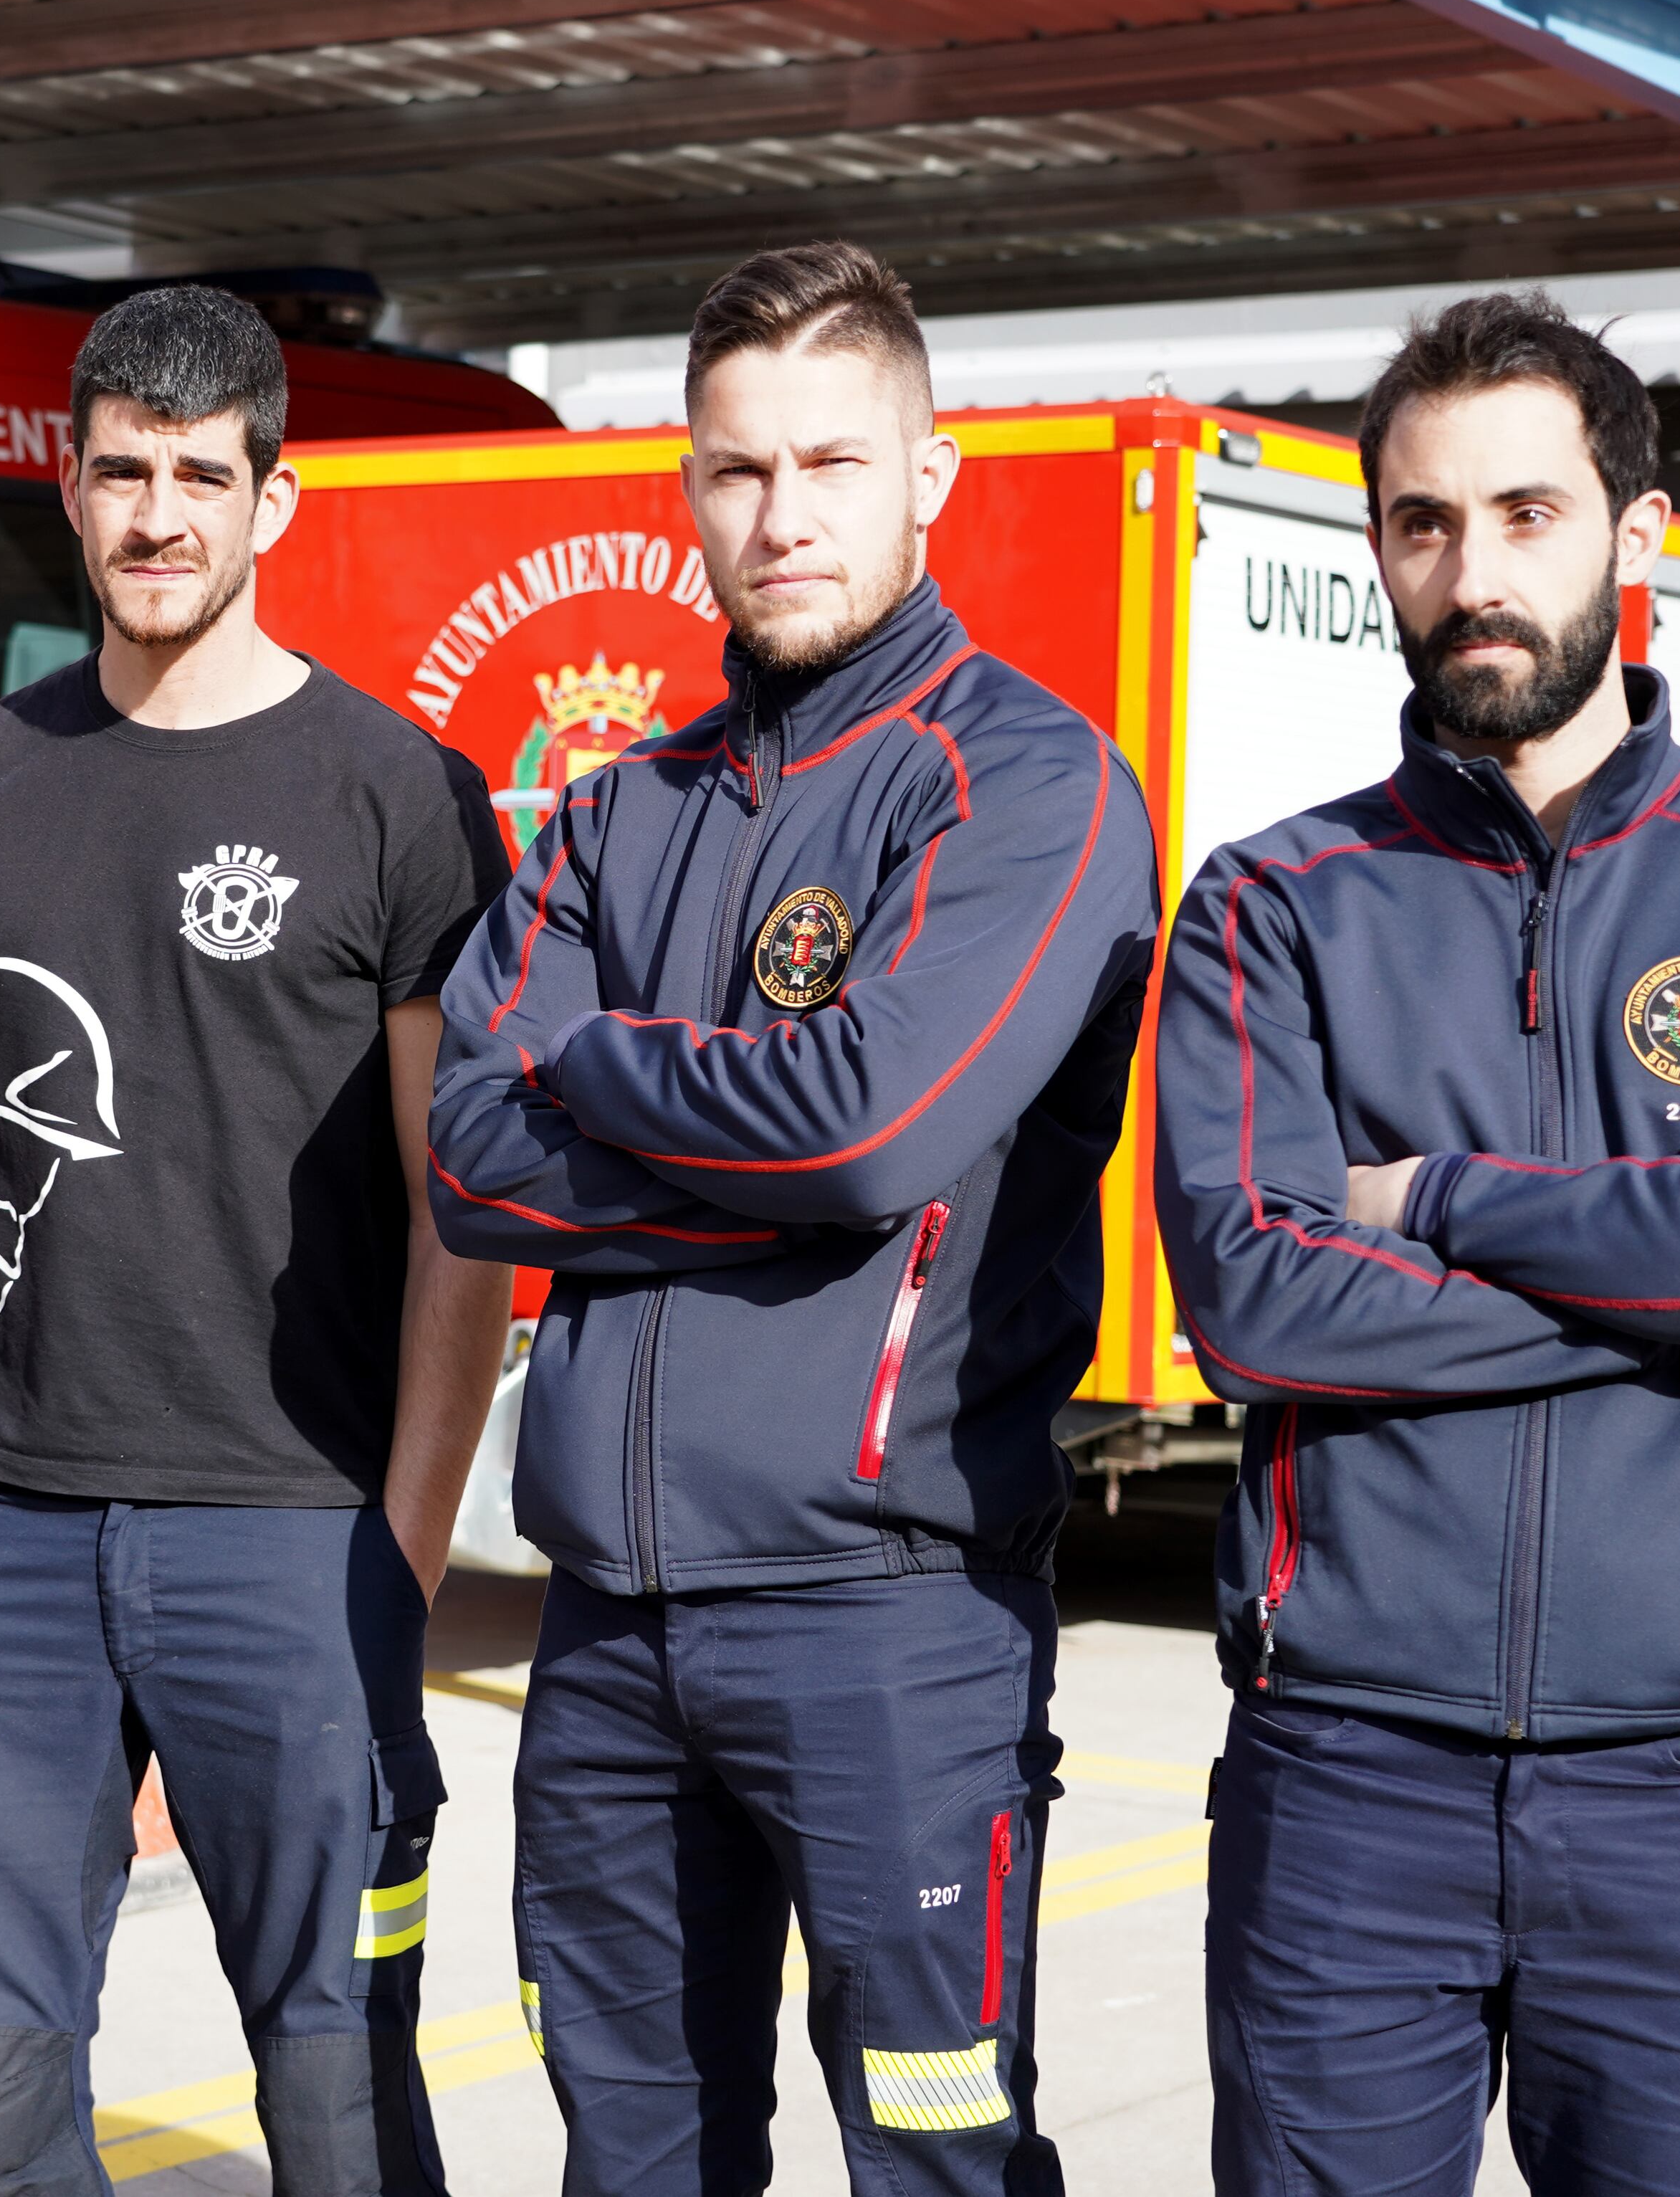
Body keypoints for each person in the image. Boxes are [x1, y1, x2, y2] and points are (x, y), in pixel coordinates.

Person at [1155, 292, 1680, 2194]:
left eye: (1526, 513)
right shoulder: (1274, 903)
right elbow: (1256, 1302)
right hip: (1346, 1779)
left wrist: (1427, 1195)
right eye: (1424, 524)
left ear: (1637, 534)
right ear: (1382, 557)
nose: (1472, 569)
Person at [426, 243, 1161, 2196]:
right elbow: (472, 1161)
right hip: (604, 1633)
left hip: (888, 1622)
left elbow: (870, 1132)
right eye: (741, 470)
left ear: (931, 472)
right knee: (634, 2151)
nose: (783, 515)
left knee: (934, 2152)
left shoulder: (1029, 783)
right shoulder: (616, 809)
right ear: (690, 487)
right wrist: (735, 1120)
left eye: (833, 463)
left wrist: (600, 1060)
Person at [0, 284, 517, 2197]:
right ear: (70, 483)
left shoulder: (396, 795)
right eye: (124, 470)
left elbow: (462, 1212)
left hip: (286, 1527)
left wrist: (402, 1545)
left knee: (335, 2105)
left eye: (201, 476)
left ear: (270, 498)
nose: (159, 516)